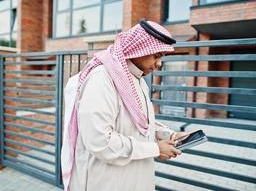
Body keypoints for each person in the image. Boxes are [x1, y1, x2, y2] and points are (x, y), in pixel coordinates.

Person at [61, 19, 189, 191]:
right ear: (139, 48)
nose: (159, 64)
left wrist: (168, 135)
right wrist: (155, 149)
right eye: (156, 56)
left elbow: (139, 121)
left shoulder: (138, 79)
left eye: (161, 57)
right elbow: (100, 141)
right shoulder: (102, 79)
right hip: (106, 182)